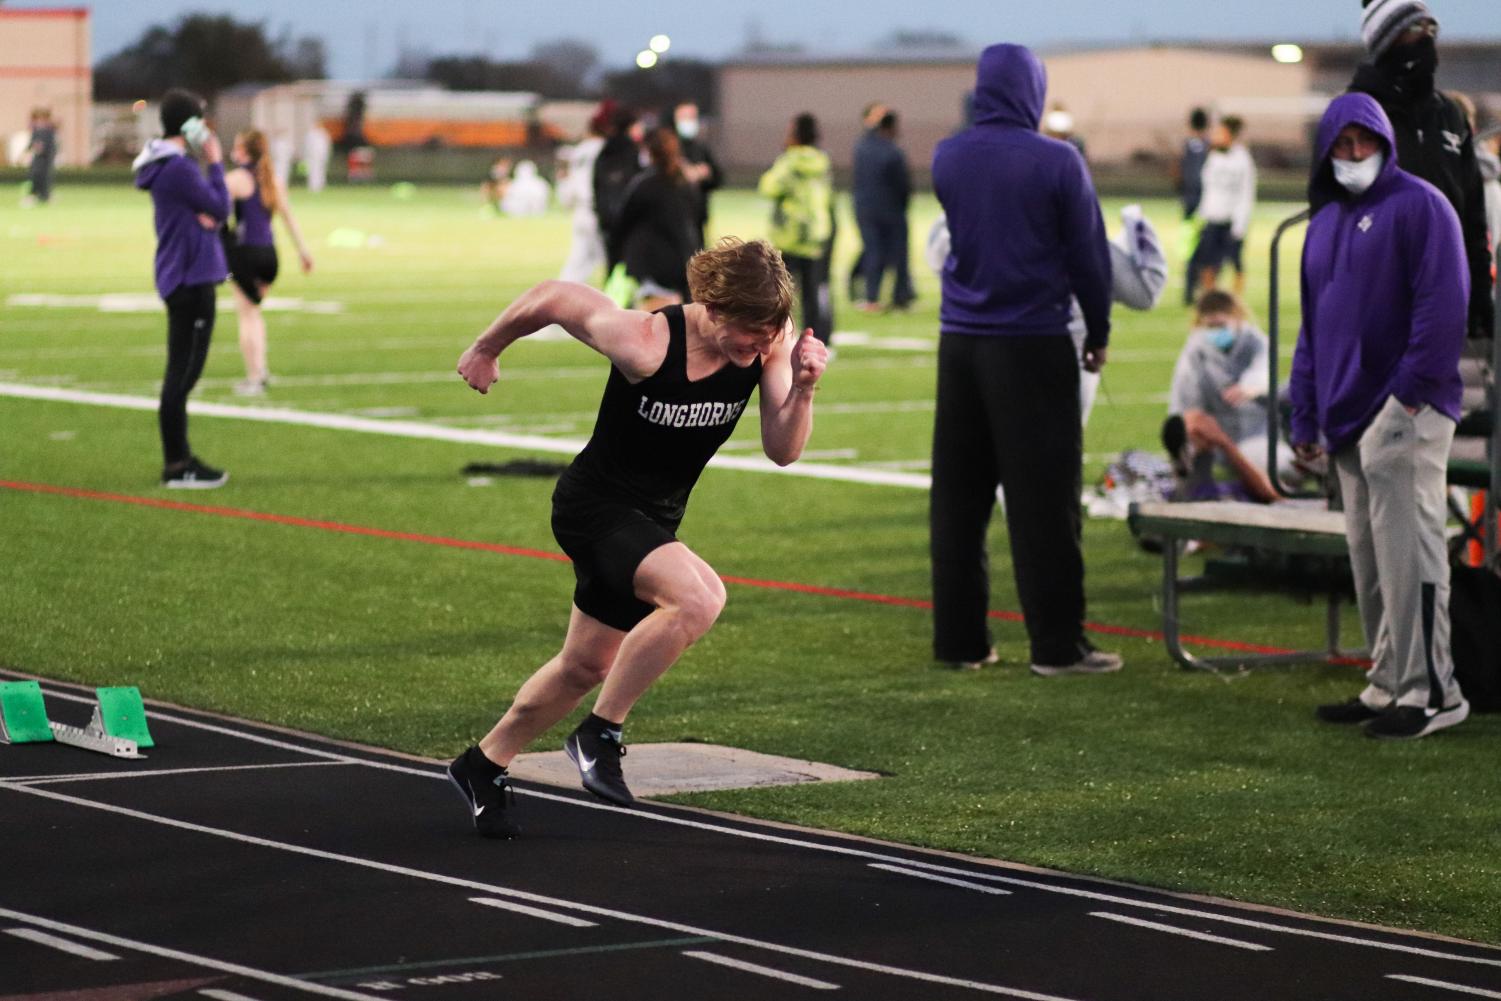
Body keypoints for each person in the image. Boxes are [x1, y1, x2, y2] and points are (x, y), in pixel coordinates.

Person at [447, 237, 828, 837]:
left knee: (583, 666)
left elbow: (784, 450)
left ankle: (482, 764)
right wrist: (487, 347)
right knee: (699, 598)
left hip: (652, 522)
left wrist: (803, 387)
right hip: (593, 508)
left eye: (765, 336)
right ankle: (601, 733)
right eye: (746, 334)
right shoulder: (646, 341)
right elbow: (553, 296)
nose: (755, 348)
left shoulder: (769, 342)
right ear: (714, 306)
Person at [929, 43, 1118, 675]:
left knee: (958, 501)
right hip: (1032, 342)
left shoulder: (948, 154)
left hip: (960, 344)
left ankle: (960, 641)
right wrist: (1100, 328)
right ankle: (1057, 646)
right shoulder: (1058, 160)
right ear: (1032, 88)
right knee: (1045, 504)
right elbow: (1089, 256)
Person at [1291, 93, 1469, 739]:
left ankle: (1433, 692)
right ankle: (1388, 681)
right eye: (1342, 143)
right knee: (1372, 562)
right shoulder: (1323, 224)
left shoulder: (1421, 205)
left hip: (1403, 412)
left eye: (1364, 140)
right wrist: (1302, 414)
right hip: (1345, 420)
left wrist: (1408, 395)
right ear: (1326, 148)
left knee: (1412, 555)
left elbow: (1441, 307)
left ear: (1384, 141)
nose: (1354, 153)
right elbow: (1311, 332)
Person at [926, 202, 1167, 427]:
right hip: (1061, 363)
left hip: (1006, 360)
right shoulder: (1089, 243)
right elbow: (1145, 291)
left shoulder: (999, 230)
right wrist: (1136, 224)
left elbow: (940, 256)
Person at [1350, 0, 1494, 340]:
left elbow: (1472, 211)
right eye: (1416, 29)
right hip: (1377, 293)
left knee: (1436, 390)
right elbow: (1331, 212)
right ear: (1387, 39)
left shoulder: (1450, 115)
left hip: (1442, 289)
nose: (1427, 39)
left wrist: (1478, 290)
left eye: (1432, 30)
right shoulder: (1355, 113)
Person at [132, 89, 231, 489]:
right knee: (182, 377)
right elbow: (221, 207)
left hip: (180, 275)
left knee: (180, 374)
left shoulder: (165, 165)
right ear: (189, 124)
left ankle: (180, 458)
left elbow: (210, 213)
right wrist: (216, 163)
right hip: (191, 279)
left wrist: (205, 214)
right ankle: (177, 463)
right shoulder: (180, 168)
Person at [1162, 289, 1294, 504]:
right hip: (1213, 438)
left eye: (1221, 325)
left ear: (1238, 318)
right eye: (1210, 326)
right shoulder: (1195, 349)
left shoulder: (1256, 342)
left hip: (1255, 435)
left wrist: (1251, 387)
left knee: (1281, 468)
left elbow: (1261, 373)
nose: (1215, 332)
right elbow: (1185, 394)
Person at [224, 129, 315, 397]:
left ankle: (254, 378)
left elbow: (216, 213)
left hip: (245, 254)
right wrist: (303, 251)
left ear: (243, 151)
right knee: (256, 313)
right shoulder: (273, 180)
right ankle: (261, 371)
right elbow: (289, 219)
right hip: (270, 256)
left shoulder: (236, 180)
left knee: (247, 315)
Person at [758, 113, 834, 345]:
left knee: (782, 294)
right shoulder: (822, 161)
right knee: (815, 293)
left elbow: (768, 187)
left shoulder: (789, 162)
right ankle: (819, 341)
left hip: (789, 236)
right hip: (815, 235)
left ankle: (780, 338)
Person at [609, 127, 700, 310]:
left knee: (650, 328)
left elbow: (621, 223)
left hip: (650, 266)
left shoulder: (644, 185)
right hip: (682, 262)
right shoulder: (685, 184)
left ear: (649, 151)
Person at [852, 110, 914, 312]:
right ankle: (901, 297)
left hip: (864, 209)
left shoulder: (861, 148)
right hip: (891, 210)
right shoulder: (894, 152)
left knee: (872, 252)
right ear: (891, 127)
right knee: (898, 254)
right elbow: (903, 186)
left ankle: (871, 297)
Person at [1191, 115, 1256, 301]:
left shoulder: (1243, 160)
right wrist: (1202, 214)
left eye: (1221, 132)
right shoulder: (1213, 157)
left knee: (1235, 262)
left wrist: (1240, 223)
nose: (1216, 135)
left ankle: (1235, 301)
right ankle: (1209, 299)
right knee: (1207, 261)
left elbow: (1246, 193)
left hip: (1231, 219)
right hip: (1212, 218)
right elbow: (1208, 188)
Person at [556, 106, 609, 284]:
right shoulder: (608, 149)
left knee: (577, 264)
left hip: (581, 212)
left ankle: (563, 304)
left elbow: (568, 189)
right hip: (602, 212)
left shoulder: (578, 151)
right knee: (615, 264)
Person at [593, 105, 644, 274]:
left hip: (607, 221)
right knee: (629, 270)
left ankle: (611, 299)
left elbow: (598, 187)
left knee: (613, 267)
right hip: (628, 222)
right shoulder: (631, 152)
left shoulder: (605, 152)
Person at [846, 102, 888, 302]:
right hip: (866, 206)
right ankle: (868, 294)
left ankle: (854, 279)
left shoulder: (880, 144)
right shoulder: (865, 145)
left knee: (875, 249)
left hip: (876, 206)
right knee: (873, 249)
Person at [673, 102, 721, 250]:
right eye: (685, 117)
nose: (689, 121)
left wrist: (705, 174)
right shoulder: (671, 147)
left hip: (698, 214)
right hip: (675, 215)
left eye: (692, 117)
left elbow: (718, 177)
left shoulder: (701, 148)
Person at [1176, 107, 1211, 305]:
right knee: (1205, 249)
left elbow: (1183, 176)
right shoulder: (1209, 146)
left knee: (1189, 248)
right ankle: (1202, 289)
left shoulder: (1187, 146)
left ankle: (1189, 291)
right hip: (1206, 205)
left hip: (1189, 204)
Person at [26, 108, 58, 205]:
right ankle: (34, 194)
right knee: (35, 175)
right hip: (38, 158)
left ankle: (45, 196)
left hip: (46, 158)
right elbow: (32, 143)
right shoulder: (37, 131)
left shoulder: (49, 131)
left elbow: (50, 146)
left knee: (46, 176)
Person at [304, 124, 331, 194]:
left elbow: (326, 146)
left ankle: (321, 185)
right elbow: (307, 146)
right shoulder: (310, 134)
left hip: (321, 156)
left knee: (321, 171)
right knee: (313, 171)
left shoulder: (323, 133)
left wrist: (326, 155)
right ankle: (313, 186)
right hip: (312, 156)